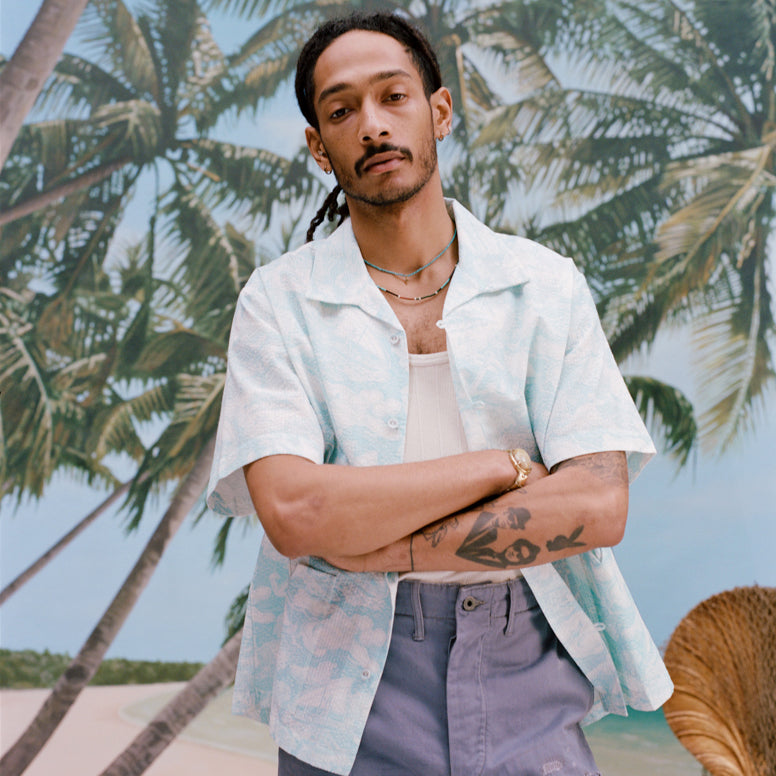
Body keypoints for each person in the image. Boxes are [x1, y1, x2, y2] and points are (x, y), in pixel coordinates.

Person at [206, 11, 673, 776]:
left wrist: (390, 545)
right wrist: (502, 466)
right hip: (351, 684)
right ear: (319, 149)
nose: (372, 125)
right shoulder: (279, 301)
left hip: (528, 659)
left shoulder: (543, 286)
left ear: (440, 112)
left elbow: (596, 506)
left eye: (394, 96)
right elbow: (296, 512)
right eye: (341, 110)